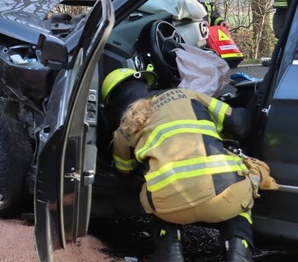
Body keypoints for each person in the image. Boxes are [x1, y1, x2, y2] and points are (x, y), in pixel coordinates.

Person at [102, 68, 256, 262]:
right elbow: (241, 126)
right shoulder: (188, 95)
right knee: (240, 206)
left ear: (112, 104)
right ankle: (237, 255)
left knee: (156, 195)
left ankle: (170, 254)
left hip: (171, 209)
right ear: (147, 84)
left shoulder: (124, 129)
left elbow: (124, 173)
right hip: (224, 198)